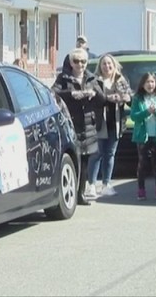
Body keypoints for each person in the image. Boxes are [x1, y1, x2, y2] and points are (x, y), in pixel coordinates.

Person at [51, 48, 101, 205]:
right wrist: (71, 95)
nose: (80, 64)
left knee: (85, 161)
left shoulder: (92, 78)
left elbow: (103, 99)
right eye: (77, 61)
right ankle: (70, 193)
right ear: (71, 62)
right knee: (73, 159)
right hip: (71, 122)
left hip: (88, 126)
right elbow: (53, 94)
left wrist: (93, 94)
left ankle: (81, 194)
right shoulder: (63, 78)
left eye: (83, 62)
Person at [88, 53, 132, 198]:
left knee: (110, 154)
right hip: (100, 122)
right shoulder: (95, 81)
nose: (107, 67)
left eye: (109, 64)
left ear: (114, 66)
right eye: (104, 64)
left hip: (116, 121)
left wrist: (126, 98)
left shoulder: (121, 80)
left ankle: (107, 184)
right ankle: (92, 185)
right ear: (100, 67)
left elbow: (130, 98)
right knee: (96, 154)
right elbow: (94, 99)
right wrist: (108, 99)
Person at [129, 72, 156, 201]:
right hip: (142, 136)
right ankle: (141, 189)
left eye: (152, 82)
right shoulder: (138, 98)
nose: (150, 84)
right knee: (143, 163)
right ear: (142, 84)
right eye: (147, 82)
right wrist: (147, 112)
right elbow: (134, 116)